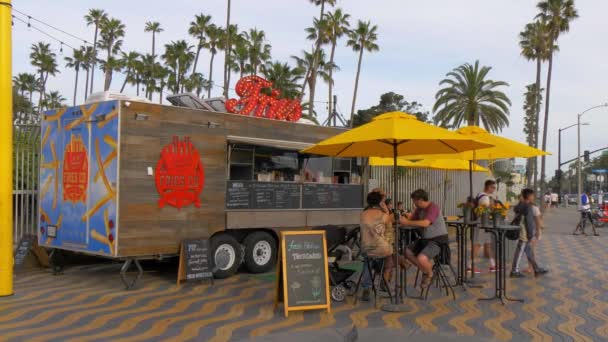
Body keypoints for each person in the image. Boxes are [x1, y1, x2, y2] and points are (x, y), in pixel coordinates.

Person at [359, 191, 407, 300]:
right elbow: (390, 226)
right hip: (381, 249)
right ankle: (384, 278)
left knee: (368, 260)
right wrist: (385, 209)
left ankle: (367, 287)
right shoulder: (383, 215)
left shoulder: (363, 214)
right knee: (391, 253)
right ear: (380, 202)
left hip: (365, 248)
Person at [401, 189, 449, 289]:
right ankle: (427, 270)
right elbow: (411, 220)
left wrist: (407, 222)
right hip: (425, 240)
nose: (414, 203)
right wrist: (403, 218)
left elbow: (425, 223)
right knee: (406, 252)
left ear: (421, 200)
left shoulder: (433, 207)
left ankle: (429, 274)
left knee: (421, 258)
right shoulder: (419, 209)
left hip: (438, 240)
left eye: (414, 201)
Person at [510, 188, 549, 278]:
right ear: (529, 196)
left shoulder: (521, 205)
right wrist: (531, 234)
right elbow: (529, 222)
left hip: (522, 231)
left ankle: (536, 268)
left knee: (529, 252)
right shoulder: (528, 206)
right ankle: (514, 271)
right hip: (525, 232)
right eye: (533, 195)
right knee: (519, 250)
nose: (534, 197)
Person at [470, 179, 497, 273]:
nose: (494, 189)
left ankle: (493, 265)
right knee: (478, 244)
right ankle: (470, 266)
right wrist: (492, 204)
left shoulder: (479, 194)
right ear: (488, 187)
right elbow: (485, 210)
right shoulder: (485, 198)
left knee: (487, 244)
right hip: (482, 223)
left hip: (483, 223)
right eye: (493, 187)